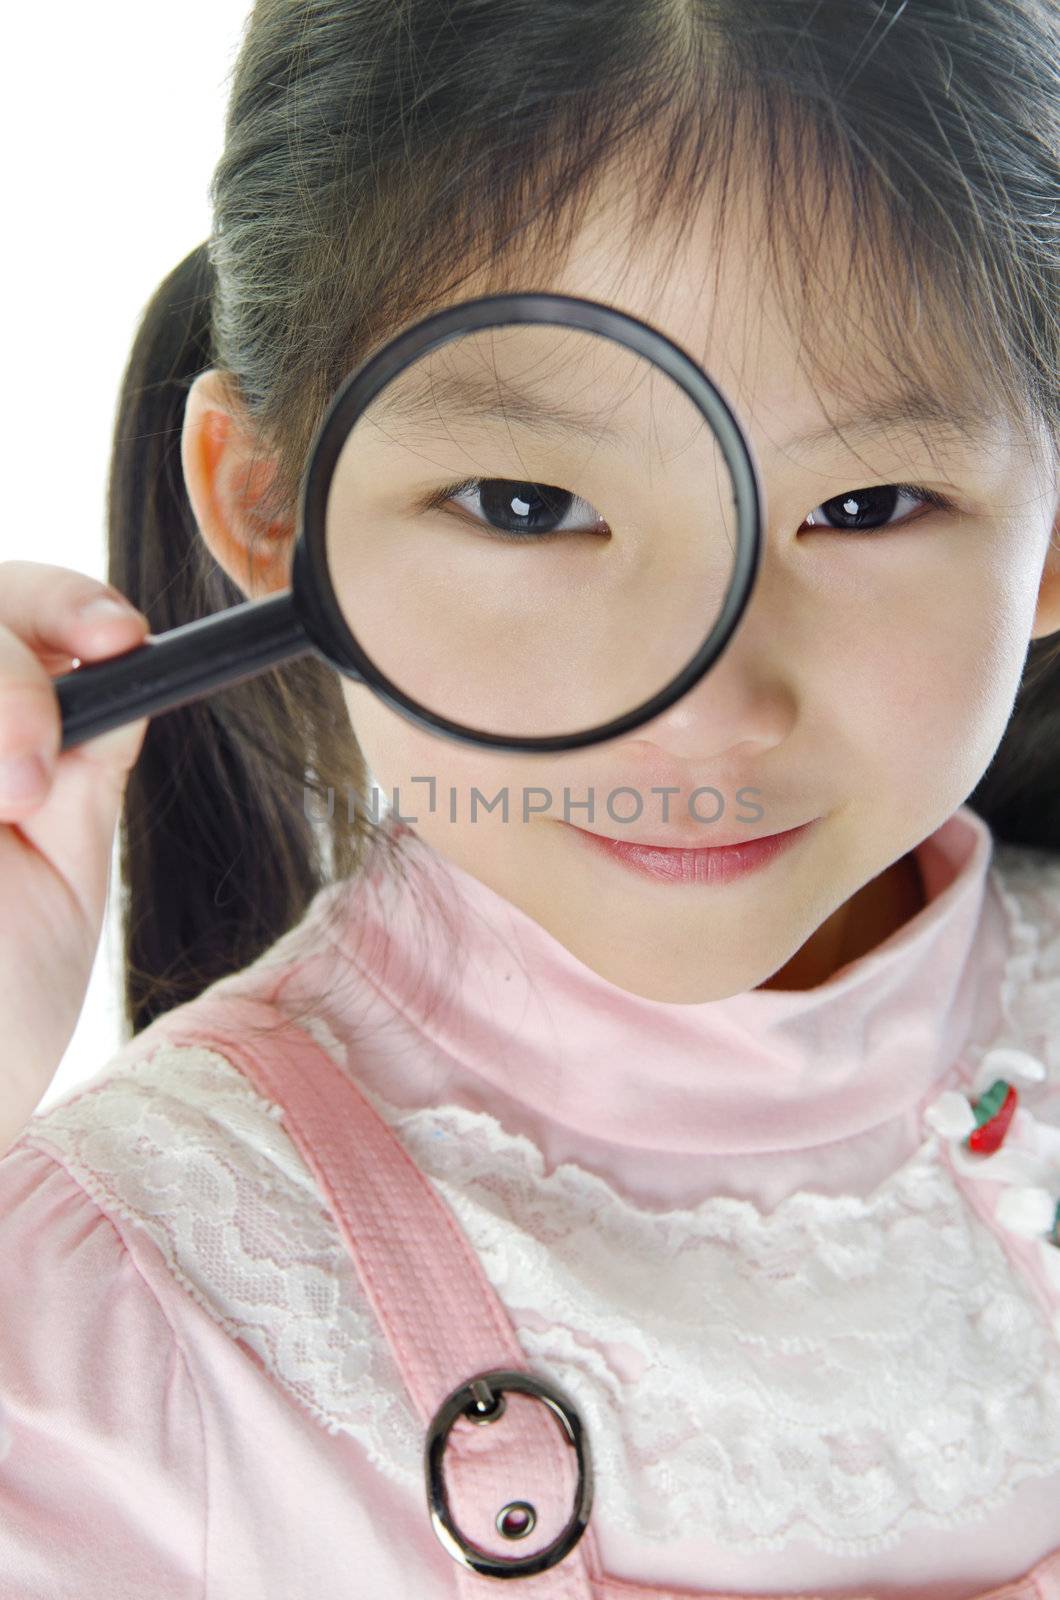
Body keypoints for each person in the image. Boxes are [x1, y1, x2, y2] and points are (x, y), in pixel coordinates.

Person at [0, 0, 1058, 1594]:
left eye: (865, 504)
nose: (705, 710)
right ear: (272, 511)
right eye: (528, 503)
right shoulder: (114, 1327)